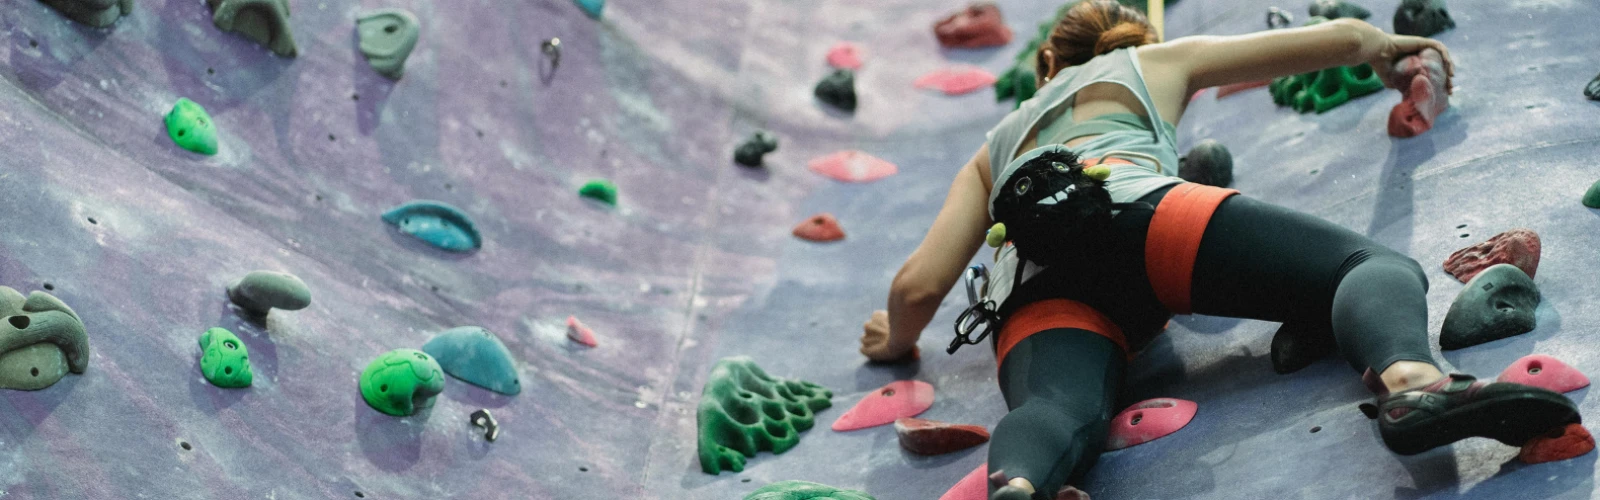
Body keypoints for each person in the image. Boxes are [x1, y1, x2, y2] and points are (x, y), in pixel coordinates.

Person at [855, 2, 1580, 499]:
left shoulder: (993, 150)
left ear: (1048, 62)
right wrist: (1389, 52)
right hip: (1142, 218)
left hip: (1037, 291)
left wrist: (894, 342)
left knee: (1057, 405)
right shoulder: (1153, 64)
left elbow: (919, 287)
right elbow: (1336, 40)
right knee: (1366, 268)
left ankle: (1019, 483)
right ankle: (1415, 386)